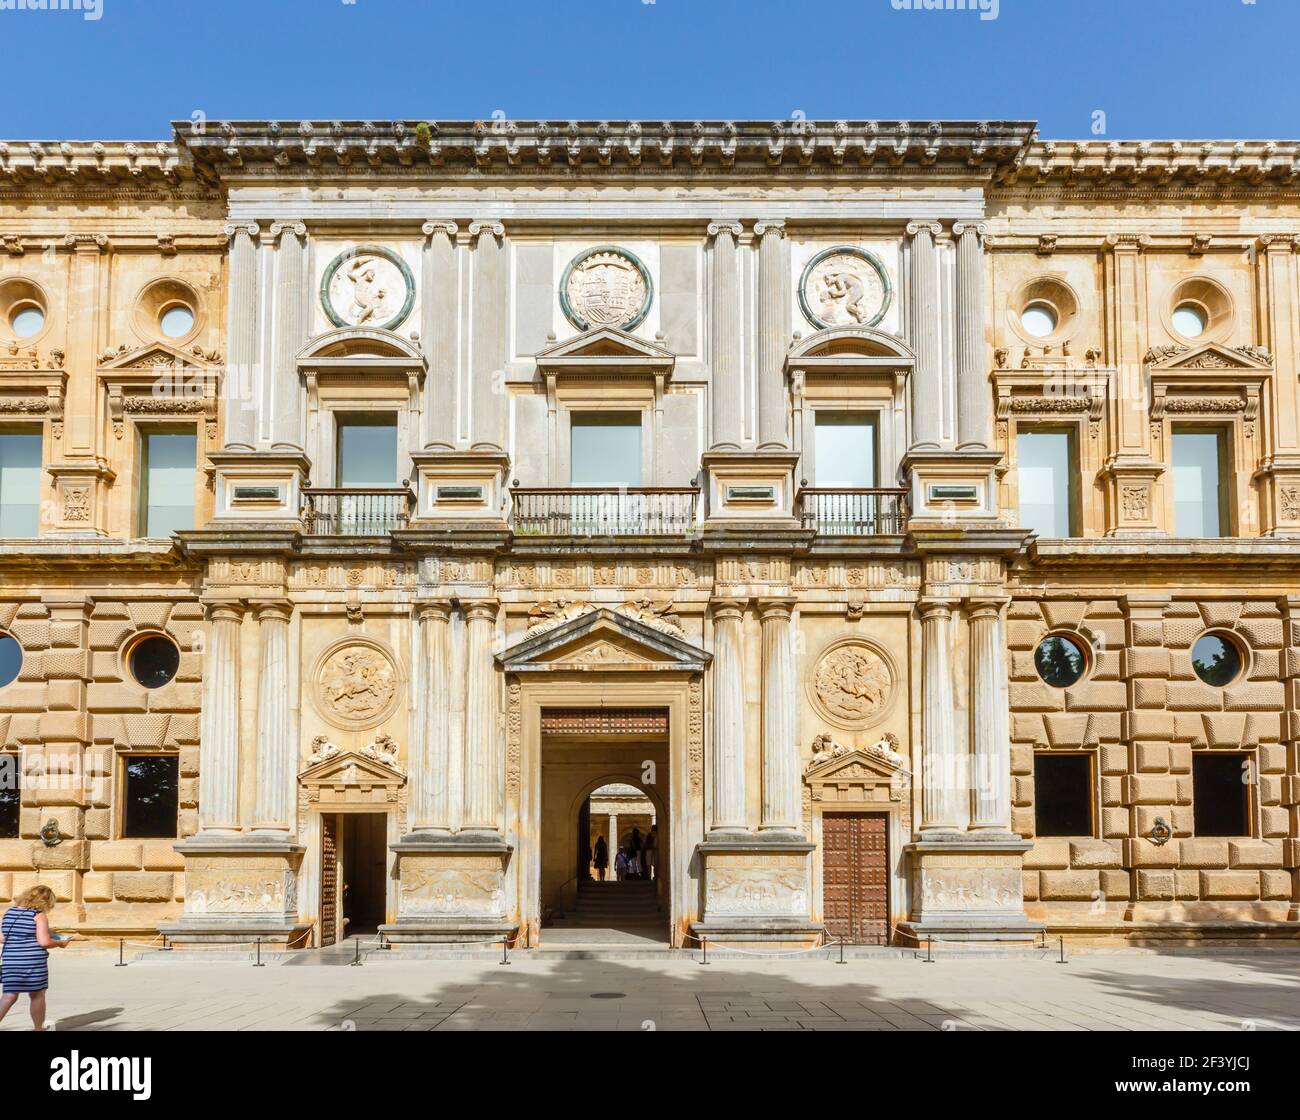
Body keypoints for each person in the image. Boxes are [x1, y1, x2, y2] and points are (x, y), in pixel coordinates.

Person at [0, 885, 69, 1031]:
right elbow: (44, 942)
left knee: (9, 996)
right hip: (33, 962)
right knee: (37, 995)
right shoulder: (38, 915)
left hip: (10, 961)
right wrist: (60, 943)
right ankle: (38, 1029)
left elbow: (2, 938)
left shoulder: (10, 912)